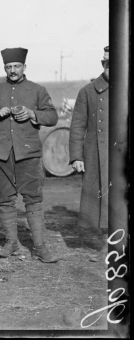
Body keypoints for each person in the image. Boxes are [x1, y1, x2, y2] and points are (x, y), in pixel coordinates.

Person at [0, 47, 59, 262]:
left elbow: (52, 117)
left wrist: (32, 114)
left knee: (33, 200)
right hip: (0, 154)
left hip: (28, 154)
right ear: (4, 68)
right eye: (9, 67)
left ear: (24, 67)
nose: (12, 70)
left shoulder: (37, 90)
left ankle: (40, 247)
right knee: (5, 200)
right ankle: (11, 243)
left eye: (16, 66)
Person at [69, 46, 109, 246]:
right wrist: (77, 157)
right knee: (99, 202)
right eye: (106, 63)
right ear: (102, 64)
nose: (110, 67)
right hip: (97, 155)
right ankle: (105, 245)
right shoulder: (87, 91)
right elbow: (77, 126)